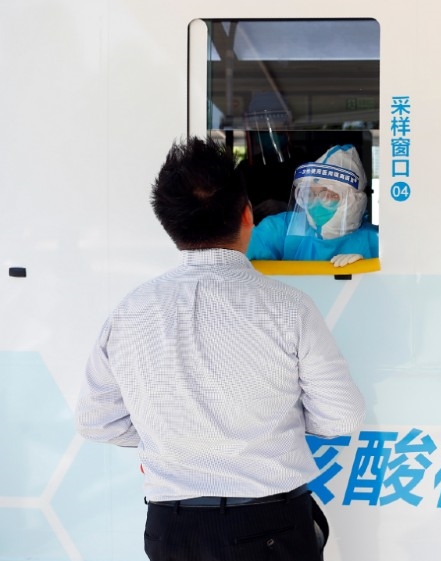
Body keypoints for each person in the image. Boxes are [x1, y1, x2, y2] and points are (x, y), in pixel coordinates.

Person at [75, 137, 366, 561]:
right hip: (271, 526)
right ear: (248, 215)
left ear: (168, 223)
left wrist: (177, 433)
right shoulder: (288, 308)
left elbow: (95, 422)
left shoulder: (129, 312)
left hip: (171, 532)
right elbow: (343, 415)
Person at [247, 144, 379, 266]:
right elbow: (237, 252)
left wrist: (368, 271)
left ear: (353, 200)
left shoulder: (377, 241)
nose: (316, 204)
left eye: (328, 195)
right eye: (309, 194)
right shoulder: (283, 228)